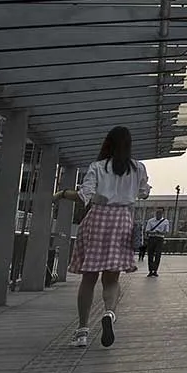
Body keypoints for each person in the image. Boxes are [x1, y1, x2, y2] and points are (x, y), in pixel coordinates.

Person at [67, 125, 149, 350]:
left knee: (89, 278)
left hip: (98, 218)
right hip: (122, 220)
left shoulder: (97, 167)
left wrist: (62, 194)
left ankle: (82, 331)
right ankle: (109, 313)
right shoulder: (138, 168)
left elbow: (85, 195)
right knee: (112, 279)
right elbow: (144, 192)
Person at [144, 208, 171, 278]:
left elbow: (166, 232)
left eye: (160, 213)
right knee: (150, 254)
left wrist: (160, 232)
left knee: (158, 255)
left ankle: (155, 270)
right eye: (157, 213)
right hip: (152, 238)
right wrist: (153, 232)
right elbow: (147, 230)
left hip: (160, 238)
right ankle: (150, 270)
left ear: (162, 213)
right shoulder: (150, 221)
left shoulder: (165, 221)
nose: (158, 214)